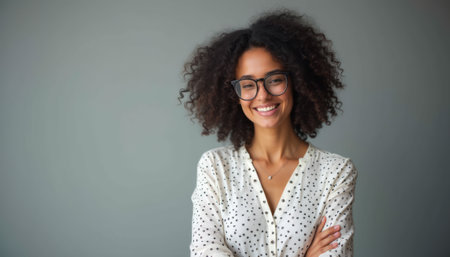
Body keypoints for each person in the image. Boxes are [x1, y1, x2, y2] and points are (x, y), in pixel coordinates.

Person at [179, 9, 358, 257]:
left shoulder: (336, 173)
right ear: (235, 94)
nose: (262, 95)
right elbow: (204, 251)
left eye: (274, 79)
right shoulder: (216, 168)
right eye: (248, 85)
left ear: (297, 81)